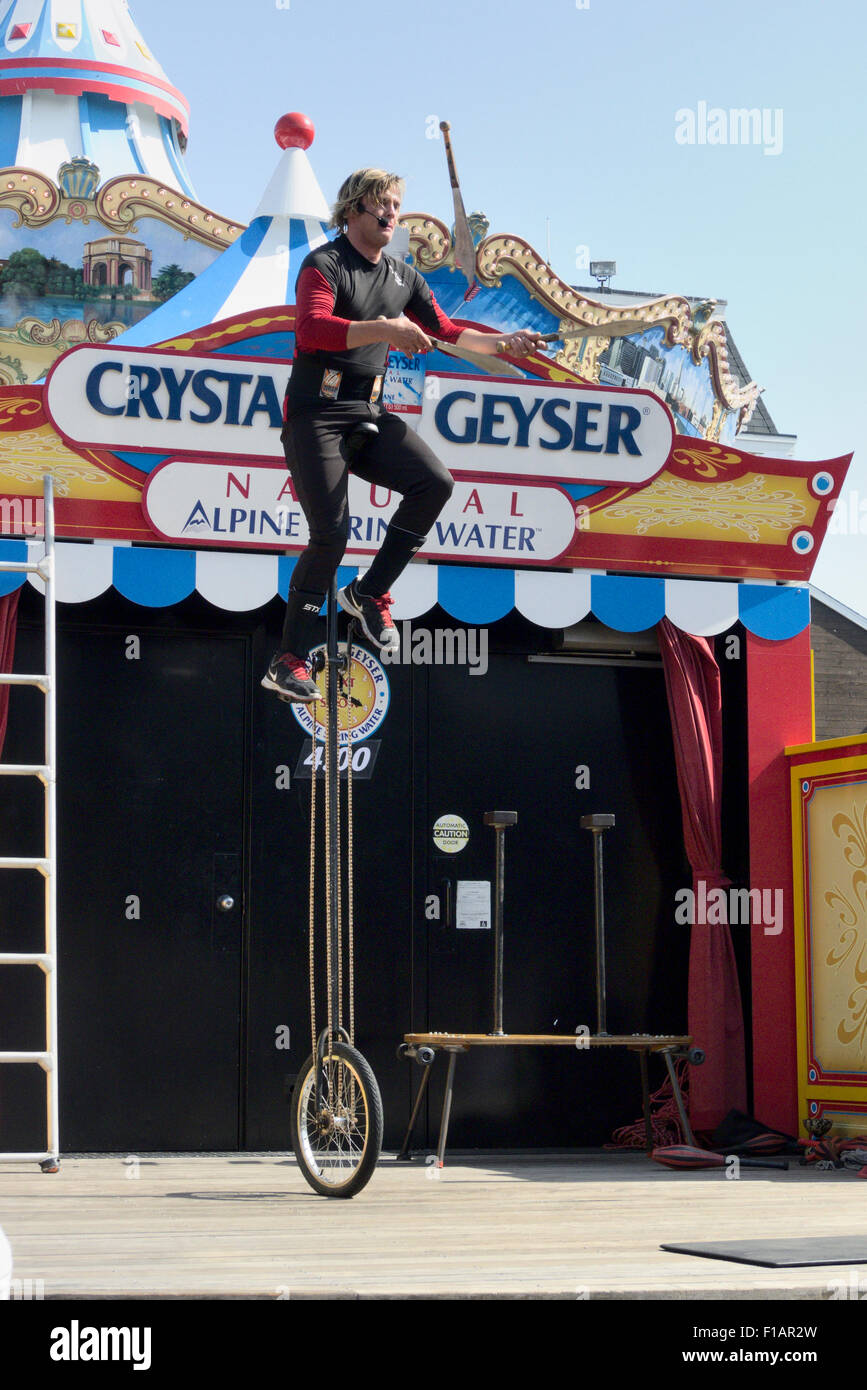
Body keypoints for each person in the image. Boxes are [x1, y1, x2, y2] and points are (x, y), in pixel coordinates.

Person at [262, 167, 546, 702]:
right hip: (315, 413)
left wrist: (504, 343)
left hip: (366, 410)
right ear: (353, 211)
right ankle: (288, 659)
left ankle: (369, 593)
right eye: (381, 207)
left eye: (396, 206)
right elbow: (311, 330)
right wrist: (387, 330)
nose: (392, 216)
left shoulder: (402, 276)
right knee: (332, 533)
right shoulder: (323, 264)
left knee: (435, 482)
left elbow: (447, 330)